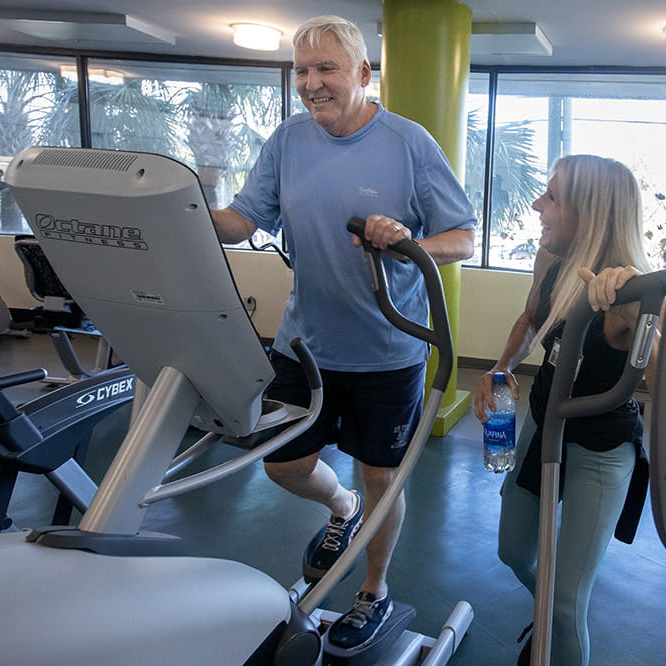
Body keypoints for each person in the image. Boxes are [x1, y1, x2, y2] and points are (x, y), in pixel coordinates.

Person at [210, 15, 475, 651]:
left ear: (361, 73)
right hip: (304, 343)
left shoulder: (408, 143)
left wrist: (408, 243)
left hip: (388, 350)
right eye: (301, 71)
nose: (311, 83)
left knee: (380, 477)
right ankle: (342, 511)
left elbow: (463, 236)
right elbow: (243, 222)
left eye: (325, 69)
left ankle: (372, 592)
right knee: (284, 465)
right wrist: (184, 206)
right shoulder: (288, 139)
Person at [473, 154, 659, 665]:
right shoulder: (551, 262)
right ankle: (551, 611)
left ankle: (558, 621)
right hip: (543, 424)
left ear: (591, 211)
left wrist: (632, 309)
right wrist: (500, 366)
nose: (538, 204)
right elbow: (531, 317)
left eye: (551, 197)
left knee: (569, 602)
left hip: (601, 449)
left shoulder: (634, 291)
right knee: (513, 550)